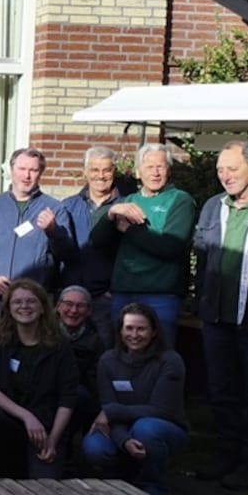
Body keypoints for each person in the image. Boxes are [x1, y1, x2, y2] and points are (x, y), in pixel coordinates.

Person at [194, 139, 248, 489]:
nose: (225, 176)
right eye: (220, 170)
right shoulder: (213, 206)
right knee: (222, 391)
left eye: (232, 169)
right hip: (217, 315)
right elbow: (202, 253)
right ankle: (225, 455)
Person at [92, 143, 194, 348]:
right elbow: (97, 239)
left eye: (161, 166)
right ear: (138, 172)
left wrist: (130, 230)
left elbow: (170, 247)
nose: (155, 173)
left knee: (160, 356)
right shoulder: (128, 201)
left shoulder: (181, 201)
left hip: (161, 296)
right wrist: (111, 213)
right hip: (123, 293)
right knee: (121, 354)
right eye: (149, 167)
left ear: (169, 170)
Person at [83, 303, 188, 495]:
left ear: (154, 331)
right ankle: (121, 482)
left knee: (145, 428)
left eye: (141, 329)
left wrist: (112, 411)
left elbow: (161, 410)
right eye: (129, 328)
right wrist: (124, 441)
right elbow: (107, 407)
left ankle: (155, 486)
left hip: (165, 429)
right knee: (94, 446)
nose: (134, 335)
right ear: (120, 330)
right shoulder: (107, 360)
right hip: (120, 428)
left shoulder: (170, 360)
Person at [0, 279, 77, 479]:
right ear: (9, 308)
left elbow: (68, 398)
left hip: (46, 427)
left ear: (42, 308)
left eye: (31, 301)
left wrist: (53, 440)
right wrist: (26, 416)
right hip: (7, 423)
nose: (24, 306)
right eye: (17, 302)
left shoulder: (60, 346)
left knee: (45, 485)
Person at [0, 148, 74, 296]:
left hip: (35, 298)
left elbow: (68, 256)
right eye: (22, 169)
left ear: (41, 173)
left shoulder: (55, 209)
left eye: (33, 170)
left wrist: (53, 231)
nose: (27, 175)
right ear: (11, 170)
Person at [63, 146, 125, 348]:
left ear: (114, 172)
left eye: (106, 170)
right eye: (95, 170)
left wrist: (114, 289)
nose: (101, 176)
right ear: (85, 172)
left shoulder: (126, 205)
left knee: (106, 351)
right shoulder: (68, 206)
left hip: (106, 297)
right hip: (71, 297)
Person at [57, 285, 106, 438]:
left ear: (89, 310)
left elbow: (95, 380)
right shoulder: (44, 331)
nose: (73, 311)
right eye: (68, 304)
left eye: (80, 306)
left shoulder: (96, 340)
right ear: (58, 306)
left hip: (76, 394)